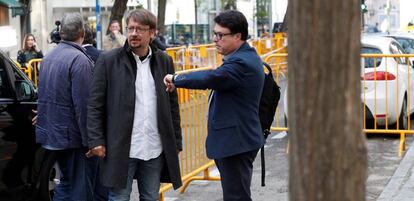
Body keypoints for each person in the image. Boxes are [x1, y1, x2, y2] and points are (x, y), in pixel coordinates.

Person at [164, 10, 265, 201]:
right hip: (237, 139)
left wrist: (176, 78)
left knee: (237, 196)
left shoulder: (241, 62)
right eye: (214, 33)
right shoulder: (243, 57)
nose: (215, 39)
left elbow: (212, 77)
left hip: (236, 142)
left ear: (237, 36)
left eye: (220, 35)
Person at [86, 8, 182, 201]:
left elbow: (172, 105)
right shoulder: (109, 61)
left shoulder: (164, 61)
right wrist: (96, 140)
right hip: (121, 147)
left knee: (150, 197)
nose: (133, 34)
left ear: (152, 33)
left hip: (154, 146)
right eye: (130, 29)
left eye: (139, 29)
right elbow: (95, 104)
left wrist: (176, 141)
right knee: (119, 197)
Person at [35, 13, 97, 200]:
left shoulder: (48, 57)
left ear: (60, 32)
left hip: (54, 133)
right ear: (82, 33)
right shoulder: (79, 60)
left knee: (66, 183)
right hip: (73, 136)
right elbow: (83, 105)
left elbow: (45, 95)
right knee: (80, 188)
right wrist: (90, 141)